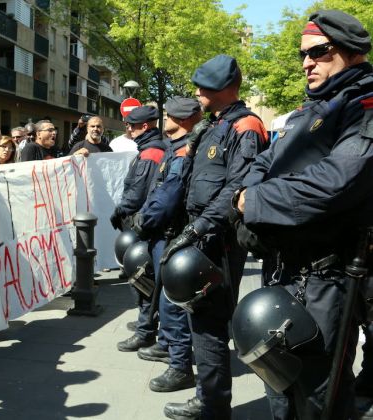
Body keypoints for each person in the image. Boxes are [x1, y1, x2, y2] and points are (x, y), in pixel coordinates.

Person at [235, 10, 373, 419]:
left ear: (351, 52)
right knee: (278, 384)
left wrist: (253, 202)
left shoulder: (363, 105)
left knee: (318, 394)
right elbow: (263, 163)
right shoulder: (310, 110)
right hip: (284, 268)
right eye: (303, 55)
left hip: (326, 277)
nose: (306, 63)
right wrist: (249, 192)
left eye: (319, 52)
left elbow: (337, 181)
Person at [160, 55, 268, 420]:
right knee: (199, 322)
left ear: (223, 88)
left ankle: (214, 408)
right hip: (200, 237)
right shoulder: (214, 125)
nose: (196, 92)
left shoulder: (246, 126)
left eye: (203, 86)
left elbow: (238, 187)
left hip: (217, 240)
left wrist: (196, 229)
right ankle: (209, 399)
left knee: (209, 326)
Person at [132, 97, 203, 394]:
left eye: (170, 114)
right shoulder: (176, 147)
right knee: (165, 298)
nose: (166, 117)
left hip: (171, 234)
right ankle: (171, 350)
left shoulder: (184, 150)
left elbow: (168, 195)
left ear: (182, 119)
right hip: (166, 233)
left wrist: (144, 220)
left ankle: (180, 366)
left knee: (171, 303)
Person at [110, 105, 167, 353]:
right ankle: (148, 323)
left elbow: (136, 193)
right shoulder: (153, 149)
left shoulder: (151, 153)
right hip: (149, 223)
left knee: (141, 275)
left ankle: (146, 330)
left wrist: (119, 212)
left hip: (143, 225)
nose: (128, 129)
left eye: (131, 125)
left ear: (145, 127)